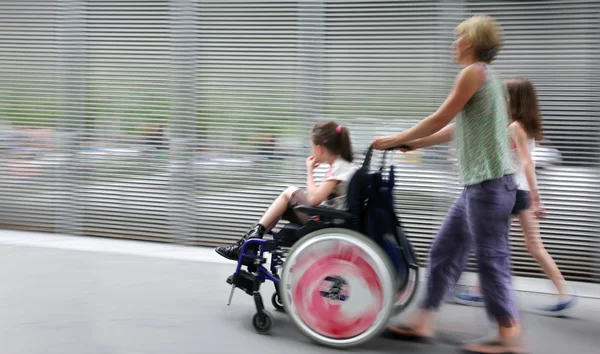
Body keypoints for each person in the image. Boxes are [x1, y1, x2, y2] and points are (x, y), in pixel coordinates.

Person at [372, 14, 526, 353]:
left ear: (469, 42)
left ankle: (509, 336)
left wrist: (395, 137)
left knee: (491, 259)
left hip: (488, 186)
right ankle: (423, 320)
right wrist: (412, 144)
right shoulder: (489, 79)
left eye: (457, 39)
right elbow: (456, 129)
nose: (454, 45)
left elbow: (440, 117)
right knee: (445, 250)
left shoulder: (472, 73)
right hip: (481, 186)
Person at [453, 78, 577, 315]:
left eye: (504, 95)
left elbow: (526, 163)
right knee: (533, 245)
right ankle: (564, 292)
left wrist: (536, 197)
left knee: (492, 243)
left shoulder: (513, 127)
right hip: (519, 193)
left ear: (514, 100)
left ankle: (482, 291)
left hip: (511, 192)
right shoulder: (522, 127)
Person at [215, 121, 358, 261]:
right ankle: (249, 244)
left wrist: (309, 171)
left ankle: (247, 244)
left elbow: (313, 199)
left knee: (289, 192)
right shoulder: (343, 165)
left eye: (312, 146)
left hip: (330, 222)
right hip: (333, 218)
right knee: (284, 203)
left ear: (320, 148)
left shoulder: (339, 167)